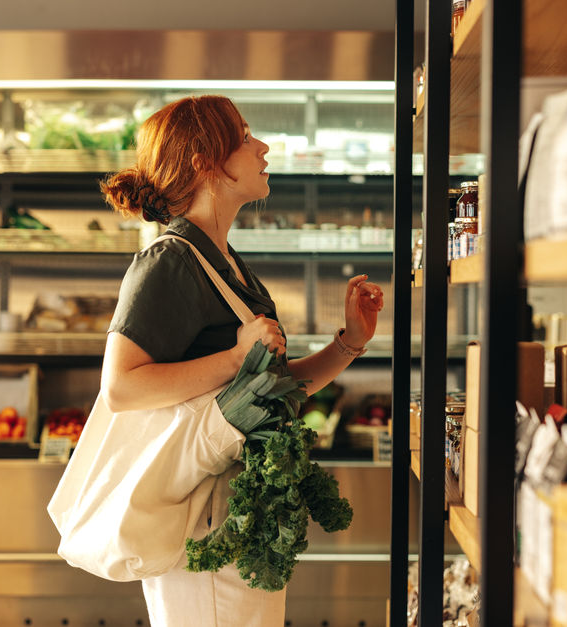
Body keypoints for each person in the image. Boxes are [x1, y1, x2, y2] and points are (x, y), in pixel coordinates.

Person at [98, 95, 384, 625]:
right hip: (200, 521)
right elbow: (122, 387)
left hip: (236, 514)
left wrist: (348, 343)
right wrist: (234, 357)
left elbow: (271, 387)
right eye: (246, 136)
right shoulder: (169, 261)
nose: (263, 146)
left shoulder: (223, 261)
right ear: (208, 162)